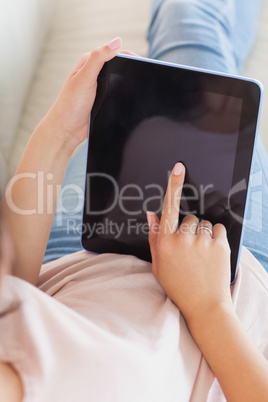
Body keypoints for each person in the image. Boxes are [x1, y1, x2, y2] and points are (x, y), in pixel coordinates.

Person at [0, 0, 268, 401]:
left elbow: (11, 294)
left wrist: (59, 132)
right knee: (190, 16)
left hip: (78, 256)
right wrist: (208, 308)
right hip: (224, 268)